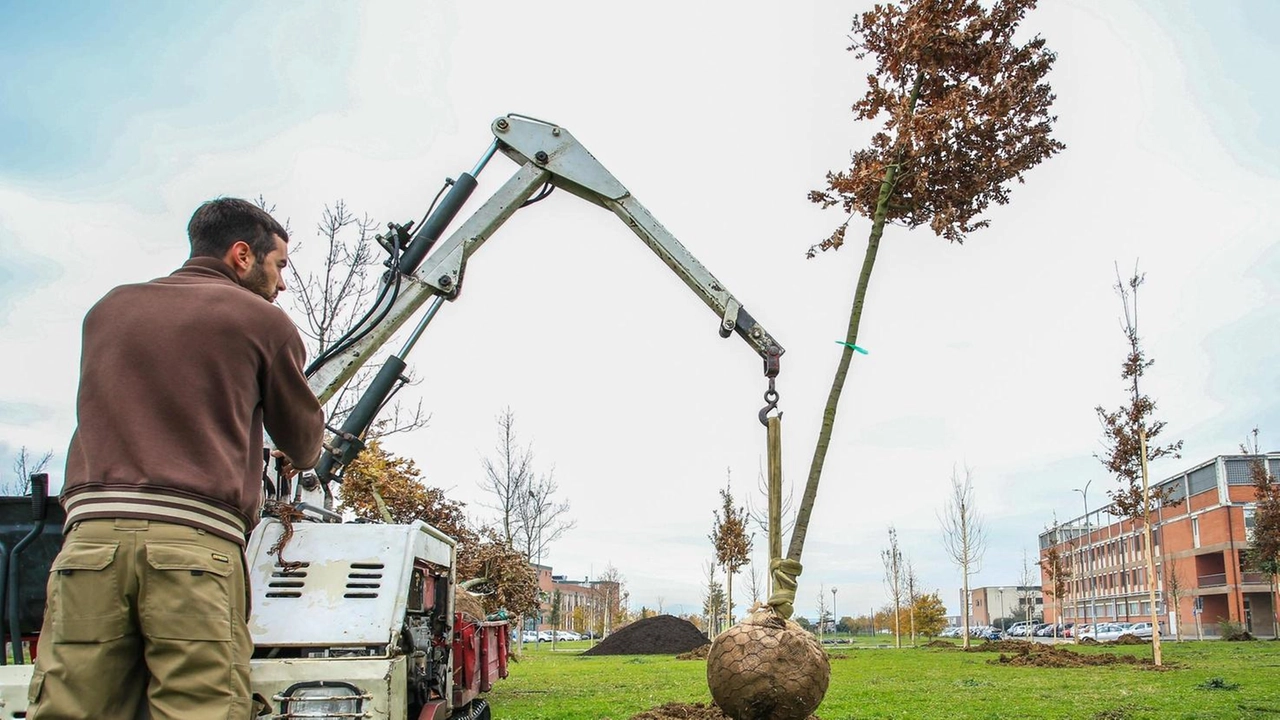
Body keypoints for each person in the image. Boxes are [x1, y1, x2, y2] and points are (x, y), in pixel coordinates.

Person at [28, 198, 325, 720]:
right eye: (279, 266)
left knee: (71, 705)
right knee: (199, 707)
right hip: (191, 546)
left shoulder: (107, 309)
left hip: (87, 544)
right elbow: (303, 444)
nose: (281, 285)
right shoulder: (263, 321)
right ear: (241, 255)